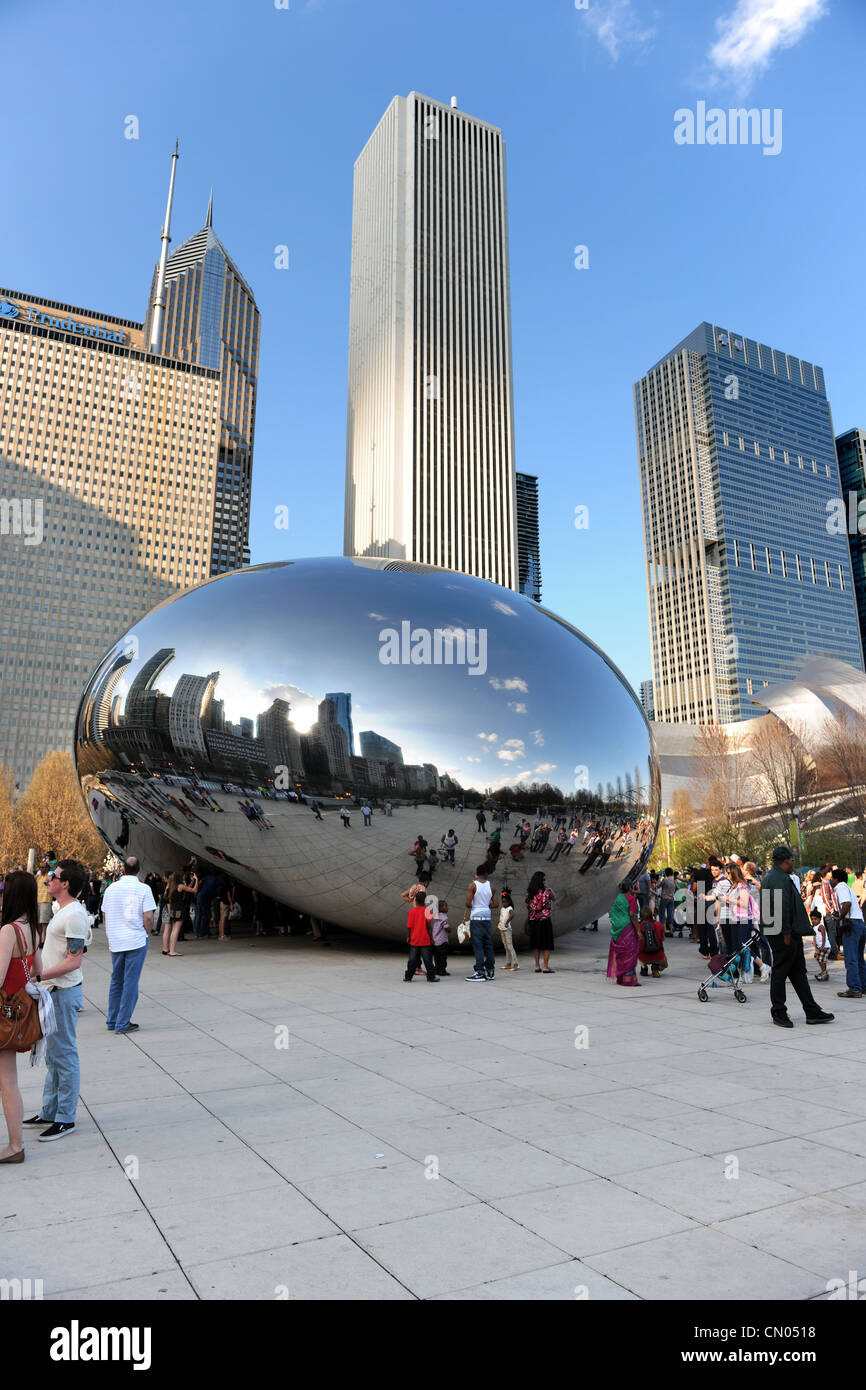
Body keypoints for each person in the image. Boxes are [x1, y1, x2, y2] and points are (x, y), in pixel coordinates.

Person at [24, 860, 92, 1142]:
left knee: (64, 1056)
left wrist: (39, 978)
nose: (48, 879)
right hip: (53, 993)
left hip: (62, 992)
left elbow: (74, 962)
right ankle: (49, 1110)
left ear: (65, 884)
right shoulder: (62, 910)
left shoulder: (74, 915)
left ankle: (65, 1117)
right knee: (53, 1056)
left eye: (54, 876)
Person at [760, 846, 834, 1029]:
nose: (794, 862)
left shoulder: (778, 876)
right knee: (780, 972)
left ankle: (812, 1010)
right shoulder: (776, 878)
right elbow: (780, 907)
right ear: (784, 861)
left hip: (788, 931)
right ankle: (778, 1011)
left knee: (798, 973)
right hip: (782, 933)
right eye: (792, 860)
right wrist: (785, 933)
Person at [0, 871, 43, 1163]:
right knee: (8, 1081)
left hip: (4, 1013)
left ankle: (15, 1146)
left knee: (7, 1083)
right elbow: (38, 968)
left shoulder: (8, 931)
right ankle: (15, 1144)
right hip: (19, 1015)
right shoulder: (34, 929)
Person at [102, 856, 156, 1034]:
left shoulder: (111, 889)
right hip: (135, 939)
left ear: (123, 870)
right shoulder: (143, 888)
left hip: (116, 940)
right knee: (131, 982)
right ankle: (123, 1022)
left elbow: (105, 914)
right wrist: (148, 932)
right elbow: (148, 916)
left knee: (116, 980)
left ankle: (112, 1019)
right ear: (139, 870)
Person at [831, 867, 866, 999]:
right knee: (858, 958)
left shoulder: (840, 887)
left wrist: (840, 917)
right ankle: (863, 986)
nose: (831, 881)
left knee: (851, 958)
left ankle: (854, 988)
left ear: (836, 879)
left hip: (851, 924)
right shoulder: (848, 887)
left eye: (832, 878)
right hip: (860, 923)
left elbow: (847, 903)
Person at [464, 864, 498, 981]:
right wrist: (486, 905)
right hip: (487, 918)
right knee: (488, 945)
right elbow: (496, 904)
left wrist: (477, 905)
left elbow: (468, 904)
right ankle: (490, 971)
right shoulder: (492, 887)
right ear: (486, 874)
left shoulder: (472, 885)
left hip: (476, 918)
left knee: (478, 946)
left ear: (476, 873)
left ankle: (479, 972)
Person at [607, 883, 641, 987]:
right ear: (630, 888)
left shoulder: (618, 898)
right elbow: (632, 915)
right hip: (627, 927)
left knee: (621, 953)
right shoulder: (631, 899)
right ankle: (628, 980)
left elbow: (611, 912)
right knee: (630, 952)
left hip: (617, 928)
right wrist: (638, 930)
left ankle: (621, 978)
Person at [403, 891, 438, 983]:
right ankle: (431, 977)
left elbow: (409, 926)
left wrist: (408, 936)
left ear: (415, 900)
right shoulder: (427, 911)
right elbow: (429, 927)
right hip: (425, 940)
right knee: (428, 960)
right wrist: (431, 938)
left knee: (412, 960)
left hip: (414, 939)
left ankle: (408, 977)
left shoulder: (412, 911)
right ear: (425, 901)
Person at [526, 870, 555, 973]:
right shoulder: (547, 891)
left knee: (536, 943)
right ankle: (545, 967)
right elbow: (554, 898)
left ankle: (537, 966)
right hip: (545, 920)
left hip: (534, 920)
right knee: (546, 944)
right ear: (542, 880)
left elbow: (527, 905)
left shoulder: (529, 892)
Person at [637, 906, 668, 978]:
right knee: (664, 964)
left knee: (636, 949)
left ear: (640, 916)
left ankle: (644, 968)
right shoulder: (658, 924)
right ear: (651, 915)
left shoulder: (638, 926)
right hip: (658, 956)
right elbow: (663, 939)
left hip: (643, 956)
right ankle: (656, 967)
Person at [162, 872, 184, 957]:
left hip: (164, 909)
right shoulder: (172, 887)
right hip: (170, 909)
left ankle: (165, 949)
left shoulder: (167, 886)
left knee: (166, 929)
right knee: (171, 929)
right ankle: (170, 950)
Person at [497, 887, 518, 971]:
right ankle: (508, 963)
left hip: (507, 929)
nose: (503, 903)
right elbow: (501, 917)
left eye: (505, 902)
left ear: (509, 902)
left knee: (510, 946)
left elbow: (512, 915)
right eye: (502, 902)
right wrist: (500, 924)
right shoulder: (502, 908)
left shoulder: (510, 908)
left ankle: (515, 964)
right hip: (501, 928)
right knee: (506, 947)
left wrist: (506, 922)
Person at [430, 899, 450, 976]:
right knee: (443, 957)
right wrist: (450, 930)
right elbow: (446, 927)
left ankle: (437, 969)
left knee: (437, 956)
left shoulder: (437, 916)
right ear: (441, 908)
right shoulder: (444, 917)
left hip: (435, 940)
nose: (447, 908)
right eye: (446, 906)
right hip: (442, 940)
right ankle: (442, 970)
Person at [811, 909, 830, 983]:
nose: (813, 921)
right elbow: (815, 937)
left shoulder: (820, 926)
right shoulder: (814, 927)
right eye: (812, 919)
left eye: (815, 919)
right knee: (818, 958)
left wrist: (823, 946)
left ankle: (824, 973)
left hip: (825, 946)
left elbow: (823, 936)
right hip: (820, 947)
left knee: (821, 960)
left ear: (820, 919)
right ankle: (824, 972)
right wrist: (816, 948)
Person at [657, 867, 677, 936]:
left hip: (664, 898)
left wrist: (660, 880)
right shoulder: (673, 880)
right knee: (670, 914)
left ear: (665, 873)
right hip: (671, 899)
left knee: (662, 914)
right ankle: (671, 930)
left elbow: (658, 886)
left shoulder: (665, 880)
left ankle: (664, 930)